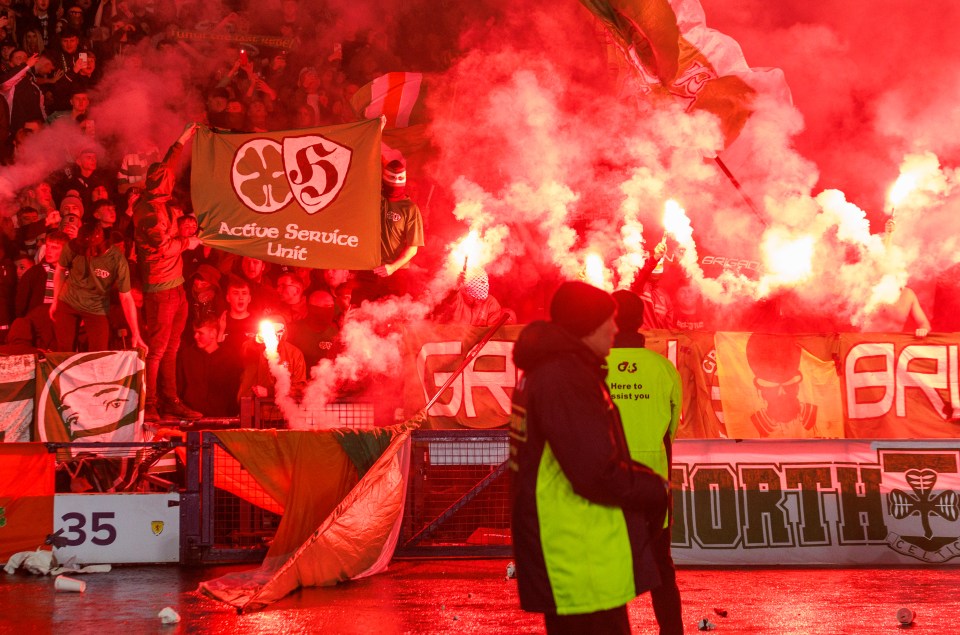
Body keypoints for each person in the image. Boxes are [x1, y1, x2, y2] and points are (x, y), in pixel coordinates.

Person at [509, 280, 669, 634]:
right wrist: (654, 488)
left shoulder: (551, 370)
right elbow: (596, 472)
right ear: (587, 326)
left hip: (577, 550)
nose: (615, 328)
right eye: (608, 320)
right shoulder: (564, 377)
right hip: (578, 554)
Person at [607, 289, 683, 635]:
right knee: (661, 567)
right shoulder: (663, 368)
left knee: (605, 567)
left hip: (606, 479)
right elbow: (671, 429)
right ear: (642, 321)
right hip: (653, 479)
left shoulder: (594, 366)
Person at [133, 123, 202, 422]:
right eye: (168, 181)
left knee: (171, 348)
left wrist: (182, 140)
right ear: (161, 185)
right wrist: (189, 241)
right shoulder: (149, 212)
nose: (173, 182)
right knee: (158, 351)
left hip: (175, 286)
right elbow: (163, 246)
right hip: (160, 289)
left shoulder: (159, 200)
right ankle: (150, 405)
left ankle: (171, 399)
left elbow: (167, 165)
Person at [50, 221, 145, 352]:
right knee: (64, 352)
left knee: (99, 354)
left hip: (96, 308)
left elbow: (126, 297)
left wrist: (136, 333)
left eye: (91, 249)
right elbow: (60, 270)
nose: (87, 252)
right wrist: (55, 300)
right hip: (68, 301)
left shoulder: (116, 259)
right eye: (84, 249)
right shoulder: (72, 247)